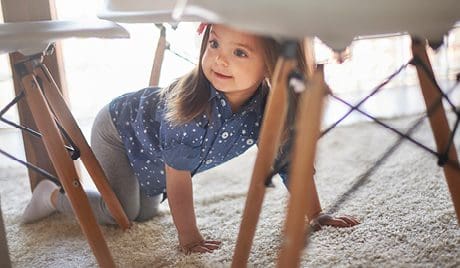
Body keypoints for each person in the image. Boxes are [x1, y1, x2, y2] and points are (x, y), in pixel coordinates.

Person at [22, 23, 359, 254]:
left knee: (144, 214)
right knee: (122, 211)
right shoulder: (194, 111)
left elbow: (289, 163)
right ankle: (51, 196)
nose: (219, 58)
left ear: (272, 67)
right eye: (213, 43)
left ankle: (113, 197)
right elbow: (179, 179)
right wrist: (189, 237)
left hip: (152, 147)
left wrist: (315, 214)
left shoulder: (267, 109)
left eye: (239, 53)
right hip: (118, 132)